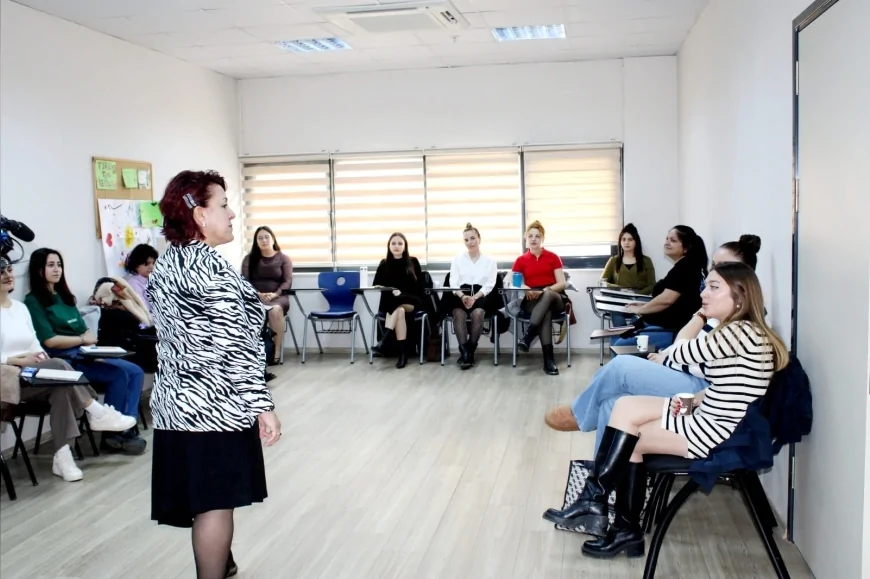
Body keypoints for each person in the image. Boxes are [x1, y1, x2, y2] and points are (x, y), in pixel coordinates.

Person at [543, 262, 787, 560]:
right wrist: (687, 403)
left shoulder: (737, 332)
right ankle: (604, 509)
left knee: (627, 426)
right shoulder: (745, 332)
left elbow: (680, 350)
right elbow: (726, 390)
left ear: (739, 296)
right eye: (705, 286)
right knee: (624, 410)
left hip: (711, 431)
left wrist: (669, 355)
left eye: (713, 287)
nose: (704, 294)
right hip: (707, 415)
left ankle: (609, 513)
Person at [147, 170, 282, 579]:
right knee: (215, 507)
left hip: (175, 407)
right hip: (215, 411)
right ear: (200, 215)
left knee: (204, 502)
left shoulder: (167, 264)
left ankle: (221, 564)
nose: (232, 213)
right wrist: (263, 407)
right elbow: (235, 349)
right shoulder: (212, 273)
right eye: (223, 204)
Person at [545, 235, 763, 452]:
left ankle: (581, 414)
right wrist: (697, 320)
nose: (711, 276)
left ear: (741, 281)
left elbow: (687, 354)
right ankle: (604, 480)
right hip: (693, 384)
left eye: (721, 270)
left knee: (621, 366)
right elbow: (685, 349)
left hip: (699, 393)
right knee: (611, 404)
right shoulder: (720, 314)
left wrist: (668, 356)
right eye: (714, 266)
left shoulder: (740, 327)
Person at [0, 255, 136, 482]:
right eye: (1, 271)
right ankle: (97, 412)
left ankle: (63, 457)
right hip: (9, 380)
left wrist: (36, 357)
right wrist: (15, 359)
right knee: (61, 368)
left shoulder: (20, 308)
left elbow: (35, 344)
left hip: (33, 374)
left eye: (9, 269)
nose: (7, 275)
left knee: (62, 387)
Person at [24, 248, 146, 455]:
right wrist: (82, 339)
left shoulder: (65, 296)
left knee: (135, 371)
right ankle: (111, 436)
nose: (57, 270)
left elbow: (84, 328)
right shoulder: (33, 301)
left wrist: (89, 341)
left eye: (59, 265)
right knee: (117, 375)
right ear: (38, 270)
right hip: (65, 359)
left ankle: (126, 427)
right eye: (51, 265)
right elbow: (50, 341)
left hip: (85, 352)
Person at [610, 225, 708, 350]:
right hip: (661, 323)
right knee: (615, 336)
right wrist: (642, 305)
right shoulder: (687, 266)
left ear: (686, 248)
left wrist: (639, 310)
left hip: (668, 329)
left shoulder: (685, 268)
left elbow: (667, 300)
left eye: (673, 240)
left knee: (618, 346)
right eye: (667, 238)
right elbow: (676, 299)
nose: (667, 243)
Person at [511, 220, 567, 375]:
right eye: (530, 236)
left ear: (542, 238)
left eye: (537, 236)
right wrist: (527, 289)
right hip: (532, 299)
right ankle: (549, 360)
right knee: (545, 313)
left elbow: (562, 283)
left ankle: (528, 336)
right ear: (526, 238)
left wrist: (543, 291)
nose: (534, 239)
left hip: (554, 295)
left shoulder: (553, 257)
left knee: (547, 296)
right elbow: (514, 283)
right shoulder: (520, 260)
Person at [442, 223, 498, 369]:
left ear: (479, 239)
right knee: (458, 313)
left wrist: (475, 297)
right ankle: (465, 351)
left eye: (473, 238)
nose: (470, 242)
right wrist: (463, 297)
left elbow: (490, 284)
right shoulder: (457, 259)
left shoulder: (490, 261)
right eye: (466, 240)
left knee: (478, 313)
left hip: (482, 295)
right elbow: (453, 282)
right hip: (460, 294)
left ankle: (469, 351)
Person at [371, 233, 427, 369]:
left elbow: (420, 288)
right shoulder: (384, 264)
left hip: (412, 301)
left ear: (405, 246)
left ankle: (384, 340)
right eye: (393, 243)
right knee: (399, 310)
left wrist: (401, 293)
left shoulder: (413, 262)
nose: (397, 246)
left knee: (399, 305)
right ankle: (403, 355)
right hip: (392, 303)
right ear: (389, 246)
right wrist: (391, 290)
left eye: (400, 243)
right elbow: (376, 284)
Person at [241, 226, 293, 365]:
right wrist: (258, 294)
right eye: (260, 238)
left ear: (273, 239)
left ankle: (275, 352)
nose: (264, 240)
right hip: (255, 297)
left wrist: (274, 294)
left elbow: (287, 281)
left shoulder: (283, 258)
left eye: (266, 237)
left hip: (278, 297)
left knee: (275, 310)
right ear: (256, 241)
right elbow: (244, 282)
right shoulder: (249, 259)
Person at [600, 223, 656, 294]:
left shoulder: (646, 261)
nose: (626, 242)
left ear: (636, 242)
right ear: (620, 242)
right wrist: (619, 289)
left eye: (630, 239)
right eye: (623, 239)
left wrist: (635, 294)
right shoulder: (613, 260)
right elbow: (601, 283)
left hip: (640, 300)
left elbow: (652, 286)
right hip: (618, 298)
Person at [124, 243, 159, 314]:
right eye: (147, 264)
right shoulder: (133, 283)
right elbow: (143, 309)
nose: (151, 267)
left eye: (153, 263)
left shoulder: (153, 279)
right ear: (136, 265)